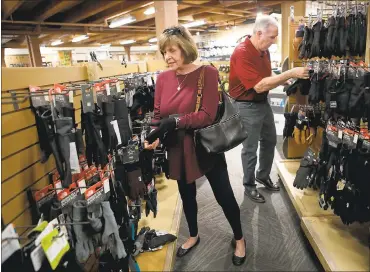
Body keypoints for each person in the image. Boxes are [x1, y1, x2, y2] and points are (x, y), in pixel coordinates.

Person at [144, 25, 246, 266]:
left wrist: (176, 121)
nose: (167, 57)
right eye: (163, 52)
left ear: (185, 48)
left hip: (204, 146)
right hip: (177, 149)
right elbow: (158, 114)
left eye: (172, 50)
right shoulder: (162, 78)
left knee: (224, 195)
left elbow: (207, 115)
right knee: (186, 195)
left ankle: (240, 238)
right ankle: (193, 235)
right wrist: (155, 133)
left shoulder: (207, 73)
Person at [229, 15, 310, 203]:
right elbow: (258, 85)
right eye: (272, 37)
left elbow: (267, 74)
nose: (274, 42)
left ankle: (262, 175)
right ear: (259, 33)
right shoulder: (242, 52)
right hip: (246, 104)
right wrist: (290, 72)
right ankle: (249, 185)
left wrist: (285, 79)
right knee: (250, 148)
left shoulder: (263, 50)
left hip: (261, 103)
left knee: (270, 140)